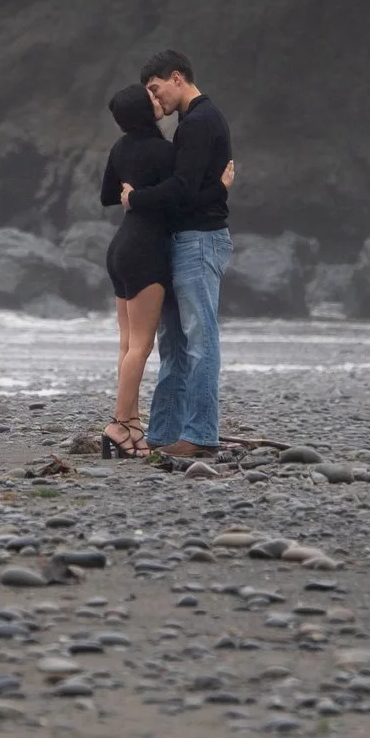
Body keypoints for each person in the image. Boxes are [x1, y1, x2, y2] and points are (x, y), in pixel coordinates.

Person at [97, 84, 236, 459]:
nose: (158, 101)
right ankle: (121, 424)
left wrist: (132, 192)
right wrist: (219, 189)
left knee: (128, 345)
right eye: (152, 99)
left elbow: (109, 196)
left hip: (120, 249)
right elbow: (181, 193)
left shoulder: (119, 147)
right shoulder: (162, 150)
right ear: (146, 111)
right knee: (141, 346)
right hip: (146, 252)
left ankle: (134, 425)